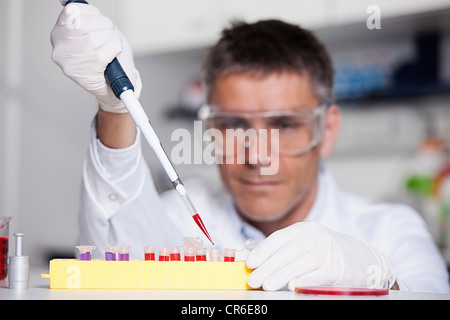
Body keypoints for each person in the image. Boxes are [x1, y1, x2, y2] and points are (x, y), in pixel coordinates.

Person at [51, 3, 449, 293]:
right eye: (234, 125)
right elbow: (110, 267)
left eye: (285, 125)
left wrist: (381, 280)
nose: (257, 156)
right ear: (209, 130)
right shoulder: (183, 223)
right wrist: (116, 108)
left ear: (327, 131)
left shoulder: (390, 230)